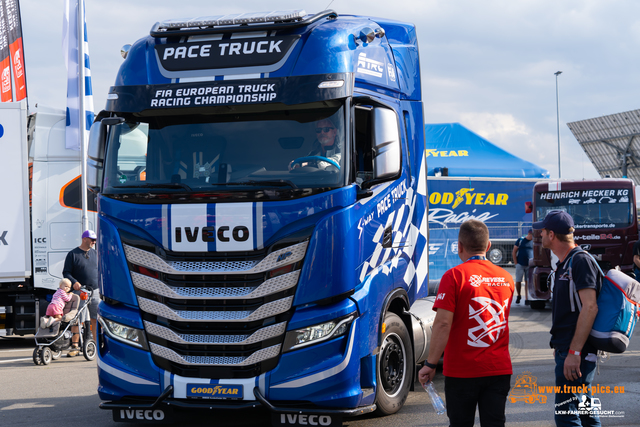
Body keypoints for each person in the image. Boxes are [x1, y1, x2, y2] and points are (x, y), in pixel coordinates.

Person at [418, 219, 514, 427]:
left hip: (462, 371)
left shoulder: (454, 276)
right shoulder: (506, 277)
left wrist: (430, 363)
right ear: (488, 246)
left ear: (459, 246)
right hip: (498, 369)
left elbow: (443, 324)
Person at [532, 210, 600, 427]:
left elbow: (590, 307)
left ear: (552, 234)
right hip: (570, 350)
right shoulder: (566, 262)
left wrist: (574, 352)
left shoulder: (579, 261)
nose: (539, 234)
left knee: (566, 416)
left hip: (577, 353)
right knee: (586, 415)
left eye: (542, 231)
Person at [62, 229, 99, 357]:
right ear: (84, 239)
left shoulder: (95, 253)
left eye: (95, 240)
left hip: (95, 291)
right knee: (77, 318)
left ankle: (94, 345)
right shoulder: (73, 254)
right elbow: (66, 272)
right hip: (80, 291)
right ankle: (75, 346)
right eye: (92, 239)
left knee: (95, 318)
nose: (94, 242)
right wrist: (74, 282)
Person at [512, 228, 533, 304]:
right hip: (520, 264)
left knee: (527, 281)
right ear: (529, 234)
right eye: (532, 235)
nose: (533, 237)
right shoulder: (521, 240)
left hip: (529, 265)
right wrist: (516, 263)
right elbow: (514, 251)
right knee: (518, 281)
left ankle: (527, 298)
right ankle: (519, 295)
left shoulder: (533, 241)